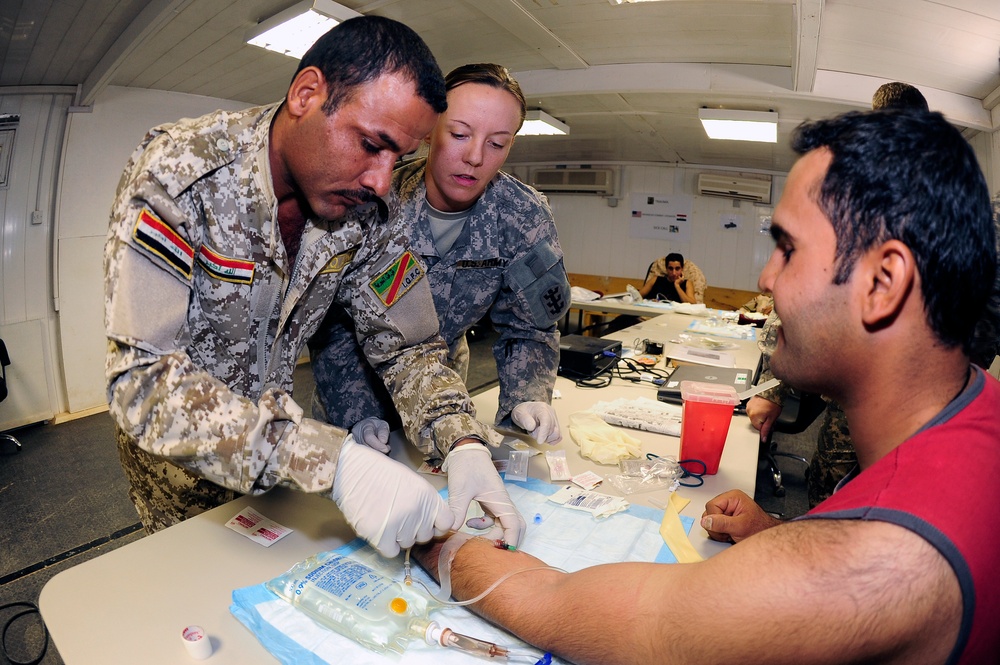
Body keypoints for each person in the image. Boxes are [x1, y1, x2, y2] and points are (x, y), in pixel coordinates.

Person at [412, 108, 1000, 664]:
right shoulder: (973, 409)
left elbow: (571, 609)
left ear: (884, 282)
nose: (767, 280)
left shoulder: (876, 566)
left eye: (788, 250)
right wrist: (776, 532)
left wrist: (433, 538)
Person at [104, 16, 523, 557]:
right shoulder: (183, 175)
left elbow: (408, 341)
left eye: (400, 156)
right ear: (306, 94)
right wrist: (333, 462)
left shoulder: (367, 209)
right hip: (181, 477)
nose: (381, 179)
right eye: (372, 144)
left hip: (283, 475)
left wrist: (461, 438)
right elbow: (143, 381)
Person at [309, 63, 570, 451]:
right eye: (460, 134)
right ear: (429, 130)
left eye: (497, 143)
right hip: (352, 384)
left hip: (446, 393)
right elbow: (330, 321)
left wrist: (527, 394)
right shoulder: (371, 200)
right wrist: (357, 412)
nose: (475, 157)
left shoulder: (522, 218)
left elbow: (529, 326)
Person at [747, 80, 929, 507]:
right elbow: (811, 291)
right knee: (827, 488)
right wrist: (777, 388)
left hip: (908, 396)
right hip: (853, 388)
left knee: (881, 504)